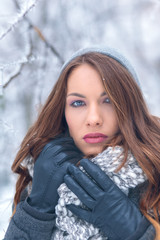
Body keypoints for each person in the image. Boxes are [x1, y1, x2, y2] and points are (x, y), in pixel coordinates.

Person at [4, 47, 160, 240]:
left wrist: (138, 233)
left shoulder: (156, 180)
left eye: (108, 101)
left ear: (130, 108)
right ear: (62, 112)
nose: (94, 119)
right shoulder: (37, 180)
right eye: (78, 103)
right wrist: (36, 211)